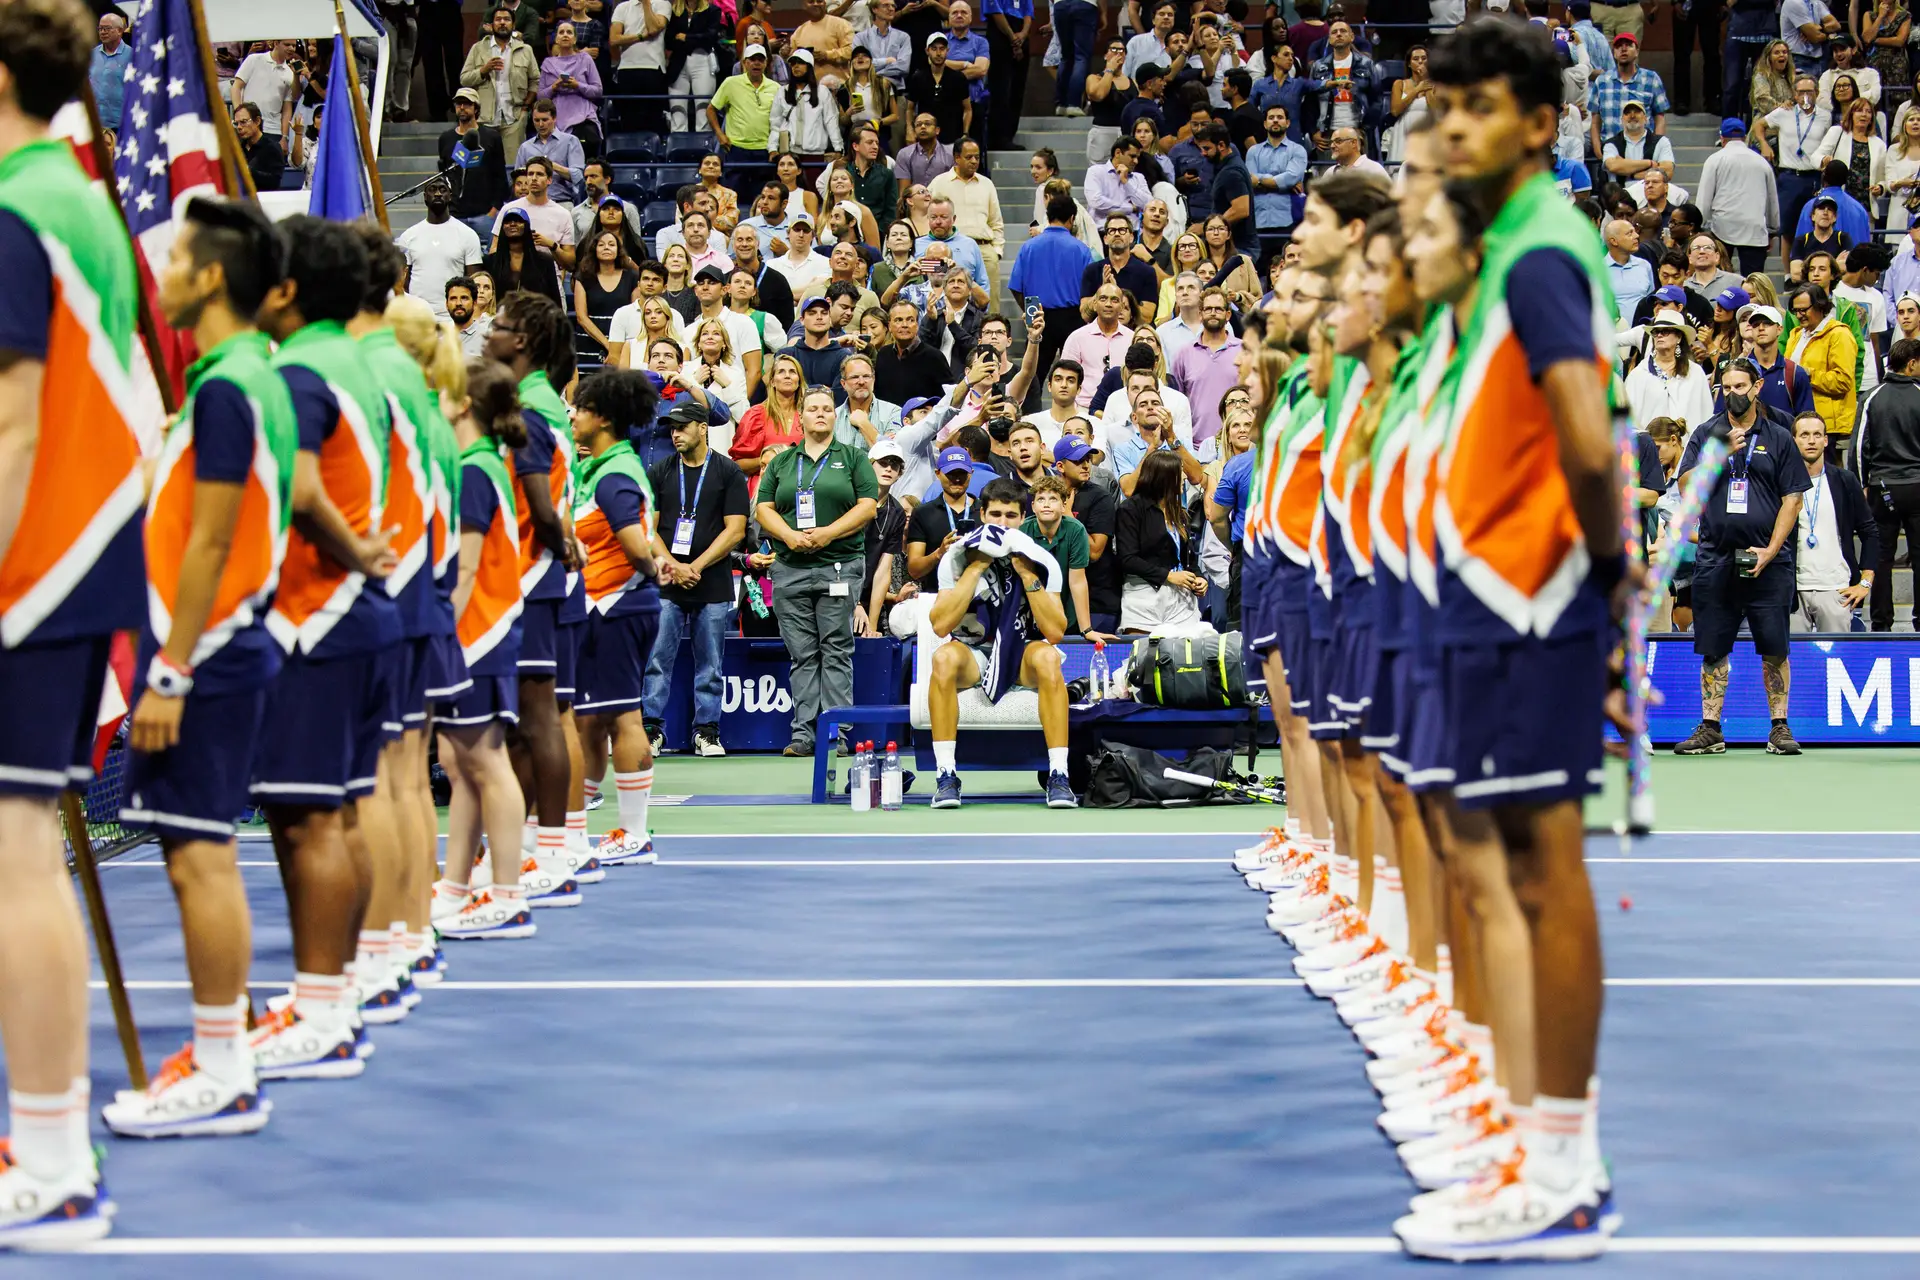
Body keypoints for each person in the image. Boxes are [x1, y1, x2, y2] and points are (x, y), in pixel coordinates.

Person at [1387, 18, 1627, 1260]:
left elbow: (1587, 436)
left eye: (1478, 108)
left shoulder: (1539, 250)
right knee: (1509, 869)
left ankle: (1569, 1173)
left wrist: (1613, 574)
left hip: (1532, 596)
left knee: (1540, 871)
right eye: (1444, 109)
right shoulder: (1499, 259)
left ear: (1540, 124)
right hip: (1487, 596)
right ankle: (1533, 1150)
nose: (1454, 128)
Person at [1673, 359, 1812, 755]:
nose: (1733, 392)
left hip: (1768, 560)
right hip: (1715, 557)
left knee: (1775, 647)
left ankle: (1780, 727)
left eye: (1740, 386)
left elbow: (1793, 499)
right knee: (1714, 648)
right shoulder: (1705, 434)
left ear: (1755, 388)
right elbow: (1686, 488)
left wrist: (1771, 549)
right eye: (1726, 386)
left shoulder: (1780, 437)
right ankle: (1711, 727)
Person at [924, 477, 1075, 806]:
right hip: (974, 651)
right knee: (943, 659)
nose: (1002, 523)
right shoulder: (957, 557)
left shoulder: (1041, 560)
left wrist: (1026, 574)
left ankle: (1059, 775)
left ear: (1023, 519)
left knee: (1049, 657)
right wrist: (976, 567)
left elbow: (1055, 632)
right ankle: (946, 775)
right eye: (995, 515)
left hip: (1022, 653)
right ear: (982, 515)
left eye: (1010, 516)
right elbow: (940, 625)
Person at [566, 370, 665, 863]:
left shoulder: (615, 473)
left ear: (602, 418)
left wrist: (653, 569)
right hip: (602, 606)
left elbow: (633, 542)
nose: (574, 416)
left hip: (617, 605)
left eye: (581, 409)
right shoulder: (597, 467)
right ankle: (570, 832)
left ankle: (634, 833)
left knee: (624, 715)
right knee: (590, 723)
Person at [755, 385, 881, 755]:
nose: (821, 414)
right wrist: (789, 536)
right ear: (802, 416)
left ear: (834, 415)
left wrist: (827, 533)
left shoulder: (854, 457)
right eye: (813, 409)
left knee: (836, 650)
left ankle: (835, 733)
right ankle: (803, 734)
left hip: (838, 566)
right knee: (802, 655)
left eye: (827, 408)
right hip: (790, 568)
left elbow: (868, 506)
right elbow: (763, 508)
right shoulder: (781, 462)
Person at [1788, 411, 1878, 630]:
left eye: (1817, 434)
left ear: (1826, 440)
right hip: (1792, 591)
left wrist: (1865, 582)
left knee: (1838, 658)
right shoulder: (1781, 481)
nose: (1811, 440)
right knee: (1792, 663)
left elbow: (1869, 531)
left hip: (1836, 589)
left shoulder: (1844, 480)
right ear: (1794, 440)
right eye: (1805, 434)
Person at [1008, 195, 1098, 389]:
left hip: (1038, 315)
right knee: (1075, 378)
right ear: (1072, 218)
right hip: (1073, 318)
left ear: (1047, 216)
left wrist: (1029, 309)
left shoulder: (1029, 247)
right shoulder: (1082, 250)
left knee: (1032, 379)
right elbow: (1092, 292)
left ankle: (1027, 416)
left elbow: (1015, 287)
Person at [1115, 447, 1207, 631]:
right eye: (1179, 471)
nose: (1184, 476)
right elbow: (1127, 559)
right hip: (1143, 597)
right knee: (1145, 656)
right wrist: (1168, 576)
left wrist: (1198, 577)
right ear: (1164, 476)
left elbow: (1188, 558)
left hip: (1182, 598)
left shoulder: (1179, 512)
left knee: (1186, 656)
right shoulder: (1131, 509)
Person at [1696, 118, 1780, 277]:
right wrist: (1772, 229)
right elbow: (1772, 200)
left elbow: (1704, 199)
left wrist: (1700, 227)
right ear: (1744, 137)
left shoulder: (1715, 160)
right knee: (1754, 283)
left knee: (1720, 279)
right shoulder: (1761, 162)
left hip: (1722, 227)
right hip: (1754, 228)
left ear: (1722, 137)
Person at [928, 139, 1004, 303]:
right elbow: (926, 215)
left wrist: (997, 251)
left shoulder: (987, 184)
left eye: (977, 157)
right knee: (949, 300)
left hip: (984, 249)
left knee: (990, 303)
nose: (974, 161)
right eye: (969, 157)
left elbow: (996, 222)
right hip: (951, 248)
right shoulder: (939, 182)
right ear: (956, 158)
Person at [1786, 282, 1861, 445]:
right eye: (1796, 311)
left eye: (1804, 310)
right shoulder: (1796, 335)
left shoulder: (1839, 335)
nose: (1799, 316)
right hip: (1800, 420)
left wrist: (1808, 374)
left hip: (1828, 426)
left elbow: (1843, 381)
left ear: (1820, 306)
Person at [461, 5, 541, 161]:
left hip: (514, 118)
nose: (502, 23)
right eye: (498, 19)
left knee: (513, 168)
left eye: (507, 19)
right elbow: (464, 79)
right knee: (483, 168)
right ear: (491, 25)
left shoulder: (525, 50)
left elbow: (535, 80)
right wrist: (483, 70)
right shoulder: (478, 48)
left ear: (514, 24)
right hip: (484, 120)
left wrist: (526, 107)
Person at [398, 180, 485, 319]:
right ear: (425, 196)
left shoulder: (467, 234)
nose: (438, 193)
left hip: (453, 316)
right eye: (432, 189)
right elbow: (403, 280)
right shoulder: (409, 236)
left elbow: (474, 280)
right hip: (416, 315)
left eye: (442, 190)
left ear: (450, 196)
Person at [1170, 287, 1242, 448]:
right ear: (1200, 314)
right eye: (1208, 309)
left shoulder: (1244, 351)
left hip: (1236, 443)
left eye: (1218, 309)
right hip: (1196, 446)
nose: (1213, 313)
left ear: (1228, 315)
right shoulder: (1184, 353)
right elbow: (1177, 401)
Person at [442, 88, 513, 246]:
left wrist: (494, 210)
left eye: (467, 104)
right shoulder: (446, 138)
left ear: (476, 108)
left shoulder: (491, 137)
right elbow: (443, 174)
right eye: (458, 104)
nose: (462, 108)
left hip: (484, 214)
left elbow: (499, 175)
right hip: (455, 214)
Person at [1625, 308, 1715, 428]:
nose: (1659, 335)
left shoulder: (1695, 373)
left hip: (1688, 444)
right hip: (1648, 444)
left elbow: (1706, 416)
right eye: (1656, 332)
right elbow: (1627, 420)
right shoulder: (1638, 374)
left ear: (1679, 337)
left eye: (1665, 331)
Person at [708, 45, 781, 189]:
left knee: (761, 200)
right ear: (744, 63)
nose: (756, 63)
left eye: (760, 60)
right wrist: (719, 134)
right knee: (733, 197)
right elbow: (711, 109)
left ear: (766, 63)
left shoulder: (776, 87)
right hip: (736, 150)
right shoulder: (730, 83)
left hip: (764, 150)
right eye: (752, 59)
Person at [1248, 105, 1310, 269]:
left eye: (1280, 117)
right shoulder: (1253, 152)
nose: (1275, 120)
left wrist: (1261, 180)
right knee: (1259, 273)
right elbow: (1250, 180)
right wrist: (1280, 182)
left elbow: (1291, 177)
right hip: (1258, 223)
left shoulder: (1298, 150)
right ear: (1265, 124)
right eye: (1271, 117)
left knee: (1287, 272)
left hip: (1287, 223)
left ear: (1288, 123)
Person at [610, 0, 673, 134]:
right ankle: (630, 152)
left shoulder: (662, 4)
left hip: (653, 67)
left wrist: (646, 4)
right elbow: (614, 39)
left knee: (652, 117)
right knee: (628, 118)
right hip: (626, 69)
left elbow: (653, 28)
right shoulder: (623, 7)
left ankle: (652, 153)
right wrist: (640, 36)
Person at [515, 99, 587, 205]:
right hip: (531, 203)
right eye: (536, 120)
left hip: (562, 201)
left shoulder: (570, 141)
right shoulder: (525, 147)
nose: (540, 124)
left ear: (554, 118)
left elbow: (579, 177)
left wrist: (550, 165)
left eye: (545, 120)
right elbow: (518, 179)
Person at [906, 33, 973, 147]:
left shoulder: (958, 78)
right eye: (934, 49)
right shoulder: (918, 77)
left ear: (947, 51)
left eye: (942, 49)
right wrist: (910, 130)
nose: (938, 53)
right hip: (925, 137)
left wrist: (965, 134)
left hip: (952, 137)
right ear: (927, 51)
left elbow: (967, 109)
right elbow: (910, 109)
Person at [232, 38, 299, 146]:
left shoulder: (290, 73)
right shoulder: (254, 59)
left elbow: (287, 108)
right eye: (287, 45)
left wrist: (284, 137)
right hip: (249, 126)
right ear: (276, 43)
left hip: (274, 130)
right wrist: (240, 116)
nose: (291, 49)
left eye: (294, 46)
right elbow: (236, 87)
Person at [232, 102, 287, 194]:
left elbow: (274, 182)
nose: (239, 127)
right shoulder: (238, 148)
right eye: (236, 123)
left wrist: (247, 170)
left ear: (257, 121)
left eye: (243, 122)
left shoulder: (272, 148)